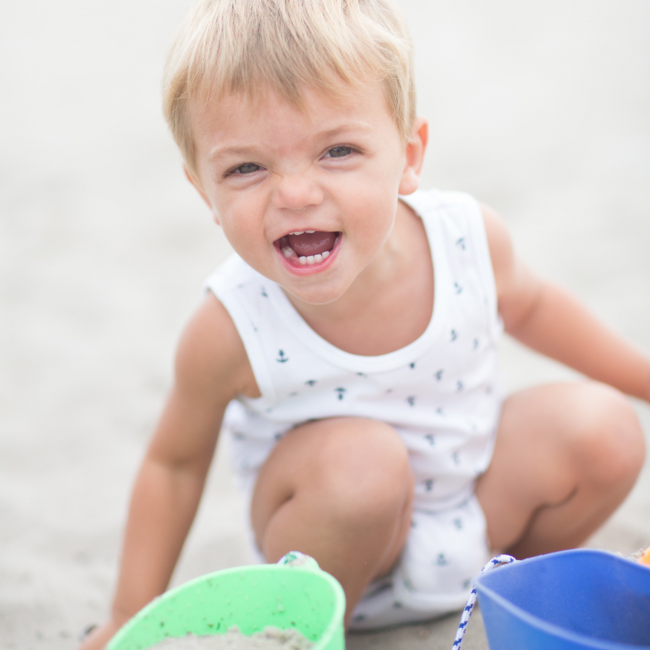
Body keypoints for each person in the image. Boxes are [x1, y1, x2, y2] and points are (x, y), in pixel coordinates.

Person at [79, 0, 649, 647]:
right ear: (203, 189)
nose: (295, 193)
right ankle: (323, 631)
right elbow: (174, 464)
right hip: (330, 560)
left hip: (474, 513)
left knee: (606, 431)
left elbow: (537, 308)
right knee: (364, 466)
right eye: (246, 168)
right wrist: (128, 611)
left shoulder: (464, 239)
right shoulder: (232, 324)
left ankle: (507, 584)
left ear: (408, 154)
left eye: (338, 150)